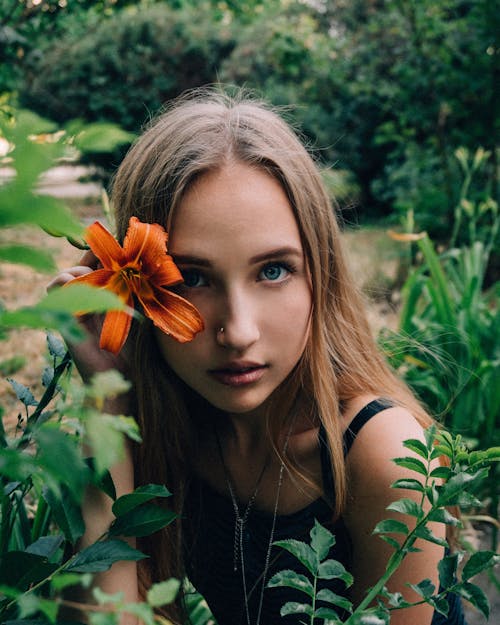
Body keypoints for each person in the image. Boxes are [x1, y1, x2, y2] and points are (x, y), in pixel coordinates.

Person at [50, 90, 467, 625]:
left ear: (321, 274)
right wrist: (106, 402)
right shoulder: (173, 430)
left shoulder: (382, 455)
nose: (238, 332)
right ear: (133, 293)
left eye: (273, 270)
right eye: (192, 279)